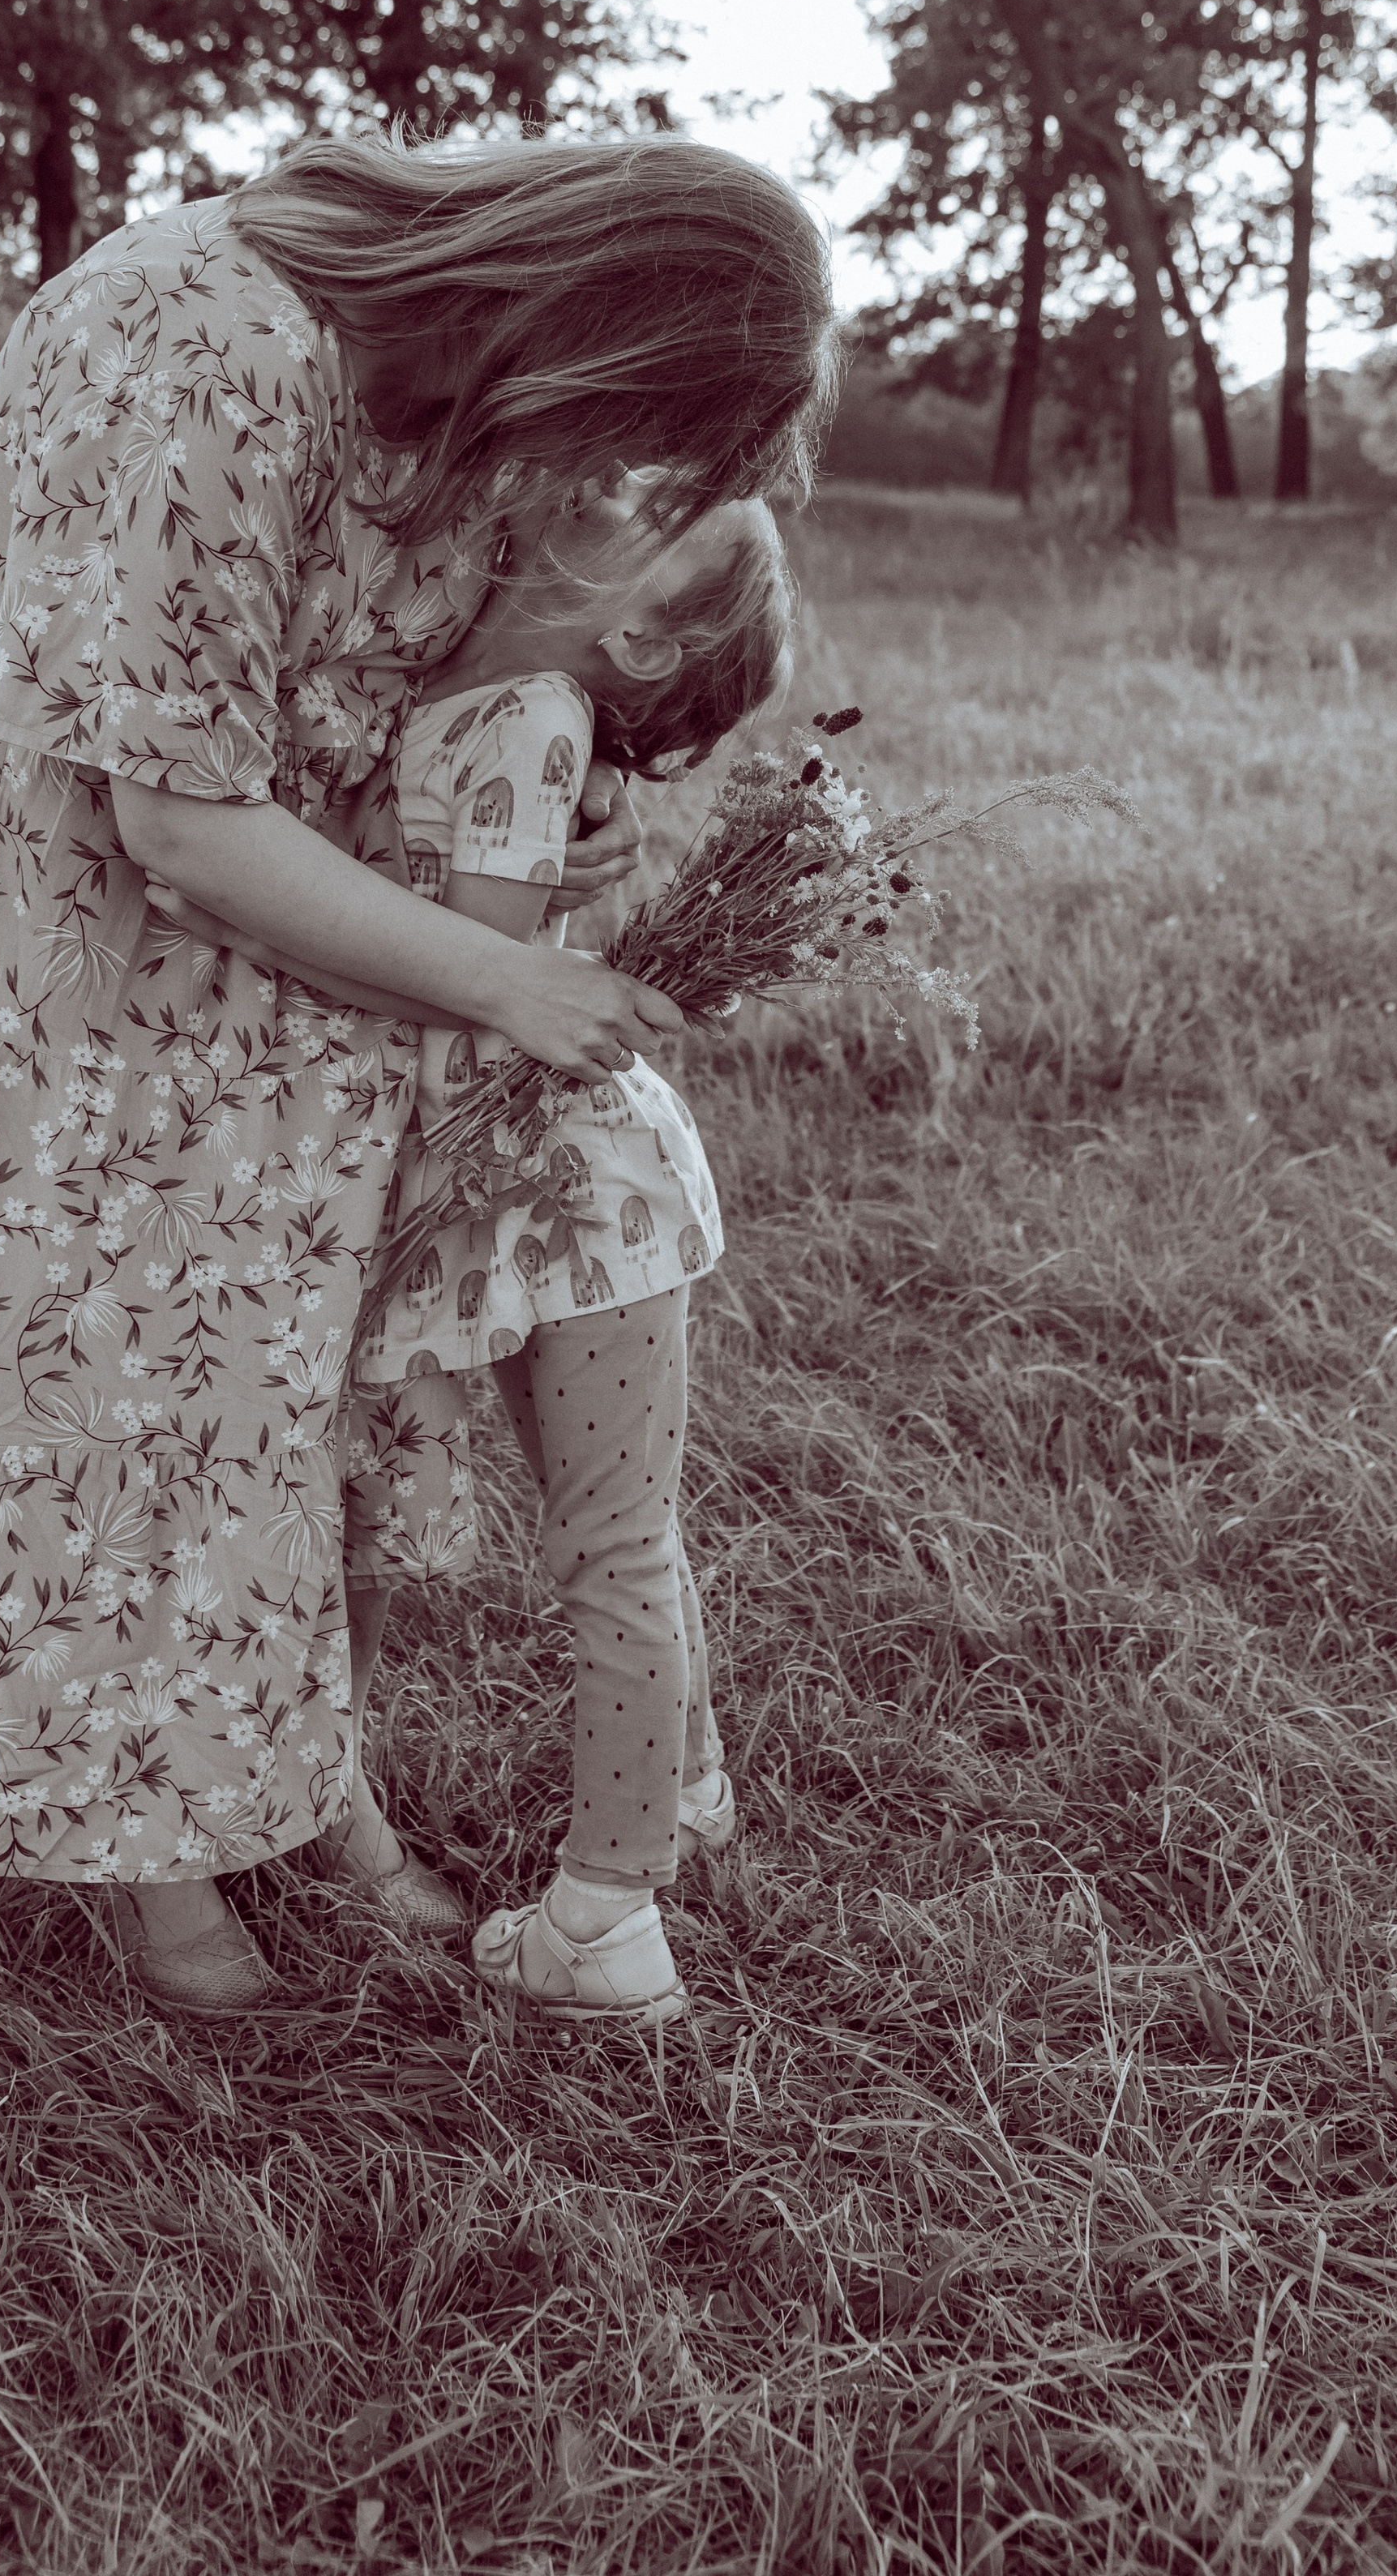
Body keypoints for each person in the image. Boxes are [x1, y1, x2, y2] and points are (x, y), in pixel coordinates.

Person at [0, 132, 836, 2021]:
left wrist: (524, 850)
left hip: (286, 971)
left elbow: (389, 690)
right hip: (63, 973)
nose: (610, 475)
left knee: (261, 1419)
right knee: (104, 1406)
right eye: (639, 424)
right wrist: (504, 974)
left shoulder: (439, 391)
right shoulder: (205, 339)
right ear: (595, 315)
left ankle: (311, 1804)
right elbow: (179, 817)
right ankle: (163, 1890)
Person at [306, 484, 792, 2024]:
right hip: (561, 1199)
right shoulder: (502, 693)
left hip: (560, 1194)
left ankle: (605, 1923)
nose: (600, 495)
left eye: (645, 511)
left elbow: (486, 968)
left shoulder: (517, 713)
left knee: (609, 1548)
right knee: (623, 1528)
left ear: (638, 620)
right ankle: (691, 1790)